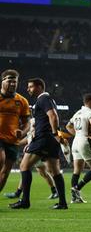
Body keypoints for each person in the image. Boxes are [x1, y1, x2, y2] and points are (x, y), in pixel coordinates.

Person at [10, 78, 68, 209]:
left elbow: (53, 116)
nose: (28, 89)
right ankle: (62, 203)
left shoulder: (43, 99)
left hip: (44, 138)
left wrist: (54, 133)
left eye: (30, 86)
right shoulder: (46, 100)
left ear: (40, 87)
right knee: (55, 171)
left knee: (24, 166)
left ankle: (25, 201)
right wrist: (56, 136)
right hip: (49, 139)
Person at [4, 118, 58, 200]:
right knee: (43, 172)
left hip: (36, 149)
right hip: (36, 147)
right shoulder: (33, 120)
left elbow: (34, 134)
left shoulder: (36, 120)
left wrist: (30, 145)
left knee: (25, 168)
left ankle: (18, 193)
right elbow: (29, 136)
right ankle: (55, 191)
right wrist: (17, 143)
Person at [0, 69, 31, 196]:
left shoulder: (22, 101)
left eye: (15, 82)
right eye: (10, 81)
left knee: (5, 173)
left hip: (12, 140)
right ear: (3, 81)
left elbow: (27, 123)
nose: (13, 84)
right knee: (0, 159)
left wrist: (22, 133)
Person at [66, 93, 91, 204]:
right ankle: (77, 189)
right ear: (89, 102)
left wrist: (76, 134)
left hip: (76, 142)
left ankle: (74, 198)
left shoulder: (78, 112)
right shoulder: (90, 113)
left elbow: (68, 126)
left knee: (77, 170)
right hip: (85, 140)